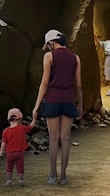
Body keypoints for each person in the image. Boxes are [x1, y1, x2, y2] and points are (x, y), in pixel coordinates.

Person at [32, 29, 82, 186]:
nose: (47, 48)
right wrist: (81, 104)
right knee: (65, 138)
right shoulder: (75, 58)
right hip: (68, 100)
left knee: (53, 138)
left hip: (52, 100)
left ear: (52, 43)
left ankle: (53, 176)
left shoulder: (49, 56)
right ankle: (64, 176)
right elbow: (79, 85)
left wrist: (37, 106)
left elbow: (45, 83)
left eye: (48, 45)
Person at [0, 107, 36, 186]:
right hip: (19, 153)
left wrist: (1, 151)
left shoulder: (6, 131)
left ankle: (9, 181)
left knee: (9, 167)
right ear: (19, 119)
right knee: (20, 167)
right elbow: (30, 127)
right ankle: (20, 181)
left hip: (10, 153)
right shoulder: (22, 128)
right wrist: (34, 119)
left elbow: (4, 142)